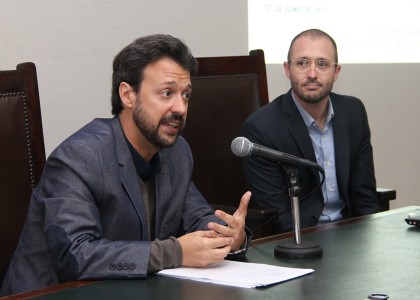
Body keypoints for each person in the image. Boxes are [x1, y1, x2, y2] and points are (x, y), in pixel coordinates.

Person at [0, 34, 251, 296]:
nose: (180, 107)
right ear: (128, 95)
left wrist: (230, 235)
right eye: (167, 93)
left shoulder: (176, 152)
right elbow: (76, 256)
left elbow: (198, 218)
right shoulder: (79, 157)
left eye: (185, 95)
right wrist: (174, 252)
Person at [240, 29, 379, 234]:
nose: (312, 74)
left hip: (350, 234)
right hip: (299, 240)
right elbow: (279, 217)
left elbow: (364, 197)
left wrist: (373, 242)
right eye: (302, 63)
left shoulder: (353, 113)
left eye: (322, 64)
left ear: (336, 71)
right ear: (287, 69)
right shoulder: (262, 128)